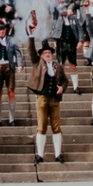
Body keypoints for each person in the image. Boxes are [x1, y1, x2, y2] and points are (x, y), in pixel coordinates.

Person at [27, 32, 68, 164]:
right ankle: (40, 155)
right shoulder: (37, 63)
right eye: (45, 53)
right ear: (41, 55)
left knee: (56, 127)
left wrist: (62, 87)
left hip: (55, 100)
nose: (47, 54)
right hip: (42, 99)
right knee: (41, 127)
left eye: (49, 52)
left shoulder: (58, 67)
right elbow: (31, 50)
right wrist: (32, 36)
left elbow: (65, 81)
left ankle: (58, 154)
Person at [49, 0, 84, 94]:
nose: (63, 11)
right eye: (61, 9)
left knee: (73, 65)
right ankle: (59, 84)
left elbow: (80, 29)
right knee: (61, 65)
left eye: (64, 8)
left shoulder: (74, 18)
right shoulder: (57, 18)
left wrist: (81, 40)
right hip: (61, 44)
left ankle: (75, 86)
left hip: (72, 44)